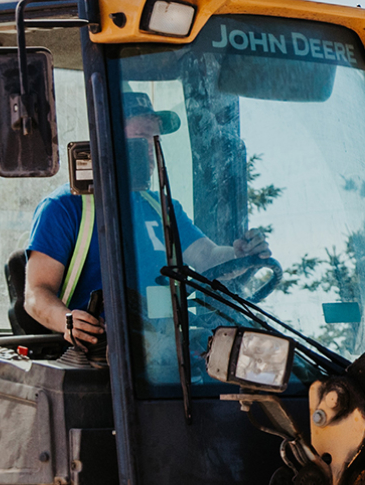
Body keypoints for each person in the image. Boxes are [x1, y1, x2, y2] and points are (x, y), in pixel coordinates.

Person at [21, 92, 266, 365]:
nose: (150, 148)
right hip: (99, 361)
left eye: (154, 139)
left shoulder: (162, 207)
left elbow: (208, 258)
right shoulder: (65, 207)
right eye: (140, 137)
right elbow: (36, 293)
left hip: (167, 357)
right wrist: (67, 321)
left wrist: (239, 255)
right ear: (107, 140)